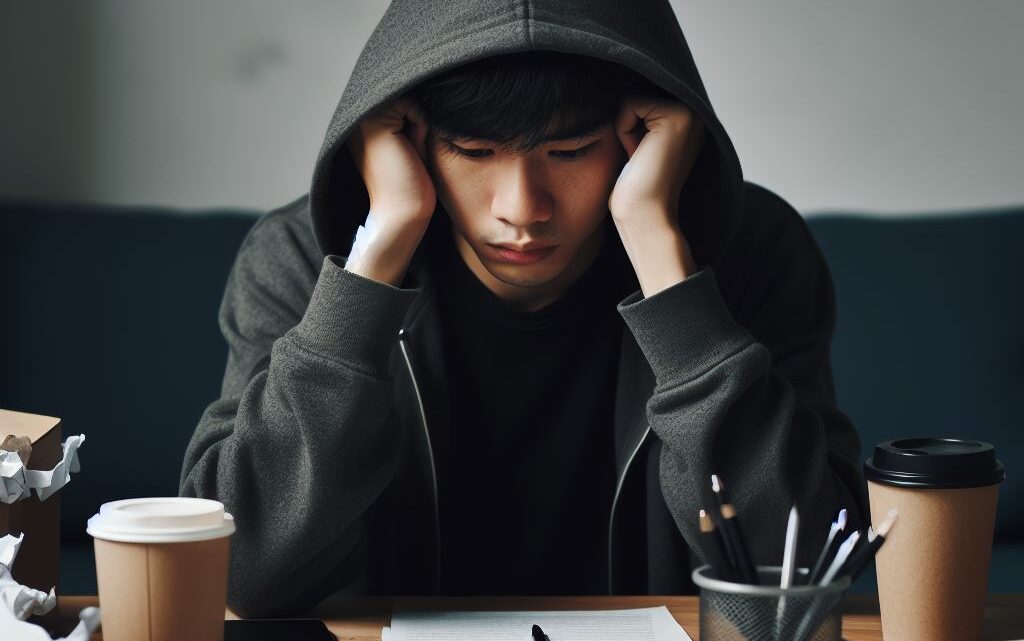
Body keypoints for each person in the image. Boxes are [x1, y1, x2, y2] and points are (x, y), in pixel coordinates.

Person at [179, 0, 869, 617]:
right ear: (408, 139)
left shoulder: (753, 255)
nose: (522, 209)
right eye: (473, 151)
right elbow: (241, 575)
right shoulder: (301, 263)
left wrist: (668, 267)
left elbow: (802, 577)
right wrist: (369, 270)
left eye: (569, 150)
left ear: (643, 137)